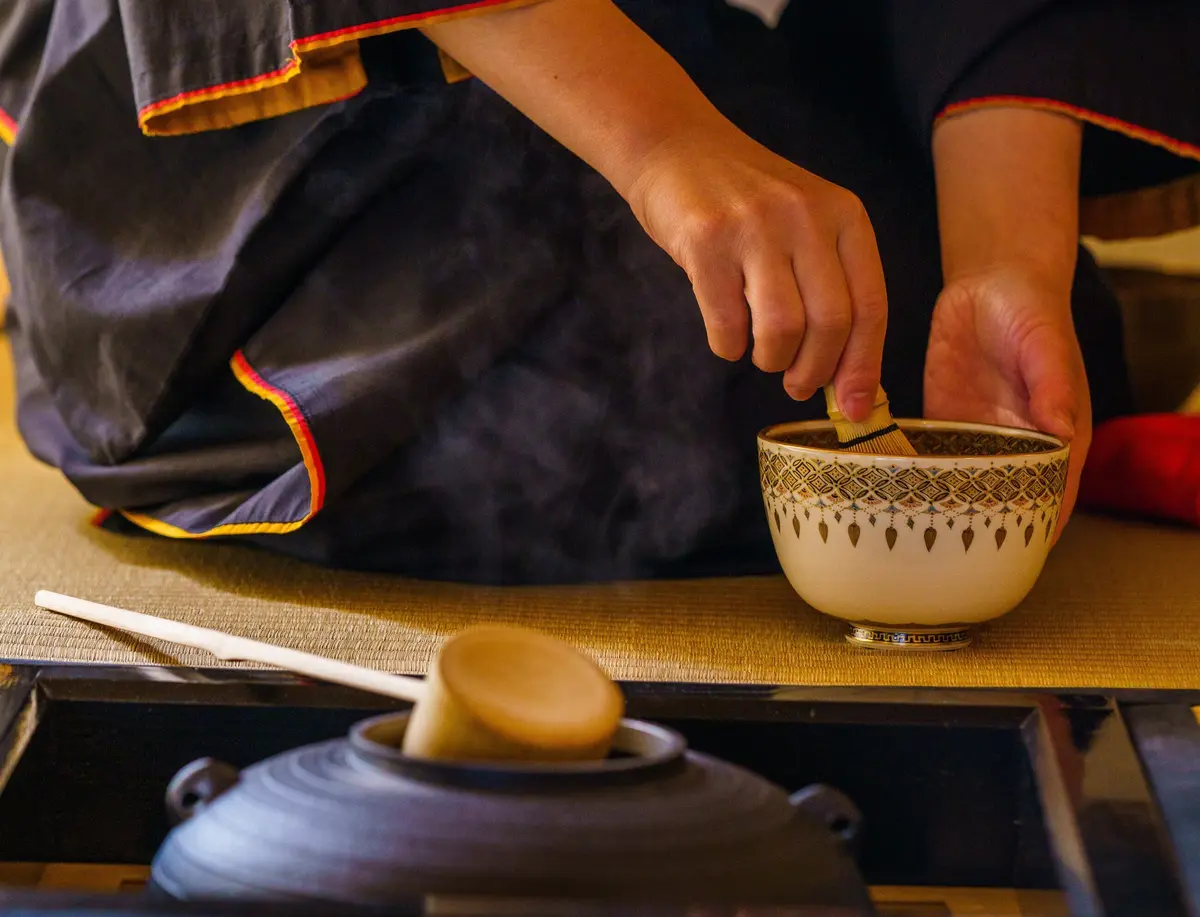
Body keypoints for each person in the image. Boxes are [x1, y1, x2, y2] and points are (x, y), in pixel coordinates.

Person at [0, 0, 1196, 584]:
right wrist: (661, 142)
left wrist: (1007, 258)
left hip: (748, 58)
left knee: (913, 306)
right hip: (343, 92)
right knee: (574, 329)